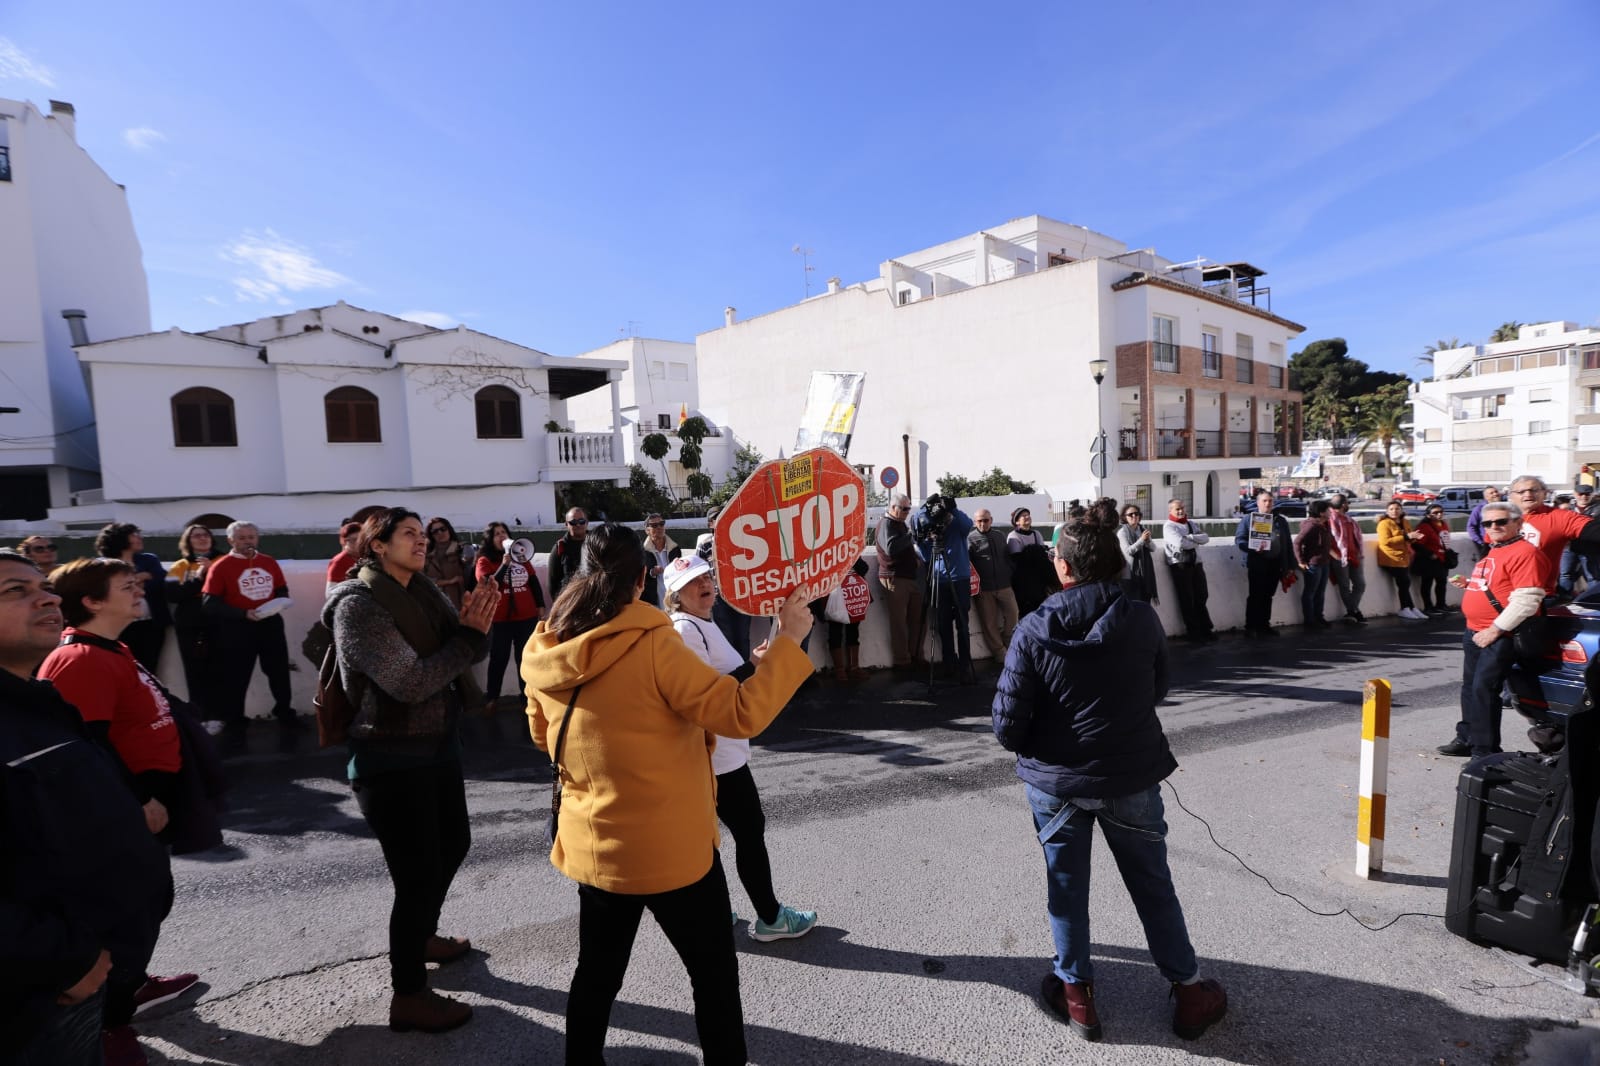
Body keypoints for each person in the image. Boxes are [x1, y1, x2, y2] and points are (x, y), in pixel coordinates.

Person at [520, 523, 816, 1065]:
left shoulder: (546, 646)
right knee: (713, 979)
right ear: (644, 578)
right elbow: (741, 713)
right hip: (673, 853)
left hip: (596, 848)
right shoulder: (655, 644)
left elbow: (544, 738)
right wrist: (789, 641)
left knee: (597, 977)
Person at [991, 500, 1226, 1045]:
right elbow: (1158, 689)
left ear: (1064, 567)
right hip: (1131, 775)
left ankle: (1078, 998)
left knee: (1065, 889)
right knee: (1153, 886)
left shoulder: (1032, 628)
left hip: (1057, 785)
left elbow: (1007, 726)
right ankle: (1190, 993)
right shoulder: (1141, 616)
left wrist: (1050, 750)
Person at [324, 508, 500, 1034]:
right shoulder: (357, 605)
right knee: (416, 873)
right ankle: (409, 995)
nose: (421, 542)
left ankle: (423, 933)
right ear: (376, 546)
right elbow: (409, 681)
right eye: (408, 535)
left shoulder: (423, 589)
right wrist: (468, 638)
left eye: (423, 534)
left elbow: (467, 648)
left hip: (437, 743)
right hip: (390, 757)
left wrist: (475, 629)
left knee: (455, 845)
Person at [0, 550, 173, 1066]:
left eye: (44, 588)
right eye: (16, 590)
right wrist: (66, 958)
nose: (48, 596)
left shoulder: (39, 699)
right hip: (42, 994)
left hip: (87, 970)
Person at [37, 557, 203, 1063]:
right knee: (127, 911)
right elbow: (87, 747)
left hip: (149, 800)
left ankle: (132, 984)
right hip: (125, 809)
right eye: (126, 586)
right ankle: (108, 1026)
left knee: (148, 903)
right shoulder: (80, 660)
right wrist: (138, 801)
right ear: (91, 601)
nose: (139, 591)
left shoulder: (112, 647)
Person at [663, 553, 820, 940]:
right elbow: (704, 694)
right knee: (748, 831)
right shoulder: (685, 630)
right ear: (674, 597)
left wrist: (753, 664)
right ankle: (771, 918)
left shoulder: (701, 623)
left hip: (720, 753)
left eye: (706, 579)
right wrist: (753, 665)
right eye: (690, 584)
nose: (703, 586)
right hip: (717, 756)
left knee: (709, 837)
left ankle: (713, 911)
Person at [1437, 502, 1554, 758]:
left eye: (1501, 522)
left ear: (1518, 523)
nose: (1493, 527)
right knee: (1470, 687)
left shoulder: (1525, 553)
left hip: (1500, 633)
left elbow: (1527, 599)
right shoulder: (1496, 550)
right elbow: (1498, 586)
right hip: (1476, 631)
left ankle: (1484, 752)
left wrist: (1495, 630)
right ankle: (1467, 737)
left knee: (1484, 689)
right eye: (1487, 523)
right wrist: (1470, 584)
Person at [202, 521, 299, 731]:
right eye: (242, 538)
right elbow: (210, 603)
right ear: (231, 540)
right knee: (237, 675)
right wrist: (242, 613)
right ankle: (235, 720)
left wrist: (278, 603)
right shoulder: (221, 566)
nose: (248, 542)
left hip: (270, 625)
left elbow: (281, 589)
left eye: (251, 537)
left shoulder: (269, 562)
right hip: (238, 629)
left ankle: (285, 713)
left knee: (279, 672)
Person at [474, 521, 545, 713]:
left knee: (525, 658)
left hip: (526, 617)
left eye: (503, 532)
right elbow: (489, 583)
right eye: (496, 533)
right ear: (490, 539)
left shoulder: (521, 557)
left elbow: (533, 581)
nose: (501, 536)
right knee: (499, 658)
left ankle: (526, 698)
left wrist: (540, 605)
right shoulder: (484, 561)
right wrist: (505, 565)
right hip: (499, 620)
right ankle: (492, 697)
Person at [910, 494, 976, 683]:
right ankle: (949, 662)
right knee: (943, 624)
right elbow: (925, 554)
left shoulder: (955, 521)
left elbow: (967, 525)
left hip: (960, 577)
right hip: (939, 578)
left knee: (963, 624)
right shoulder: (927, 522)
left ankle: (965, 665)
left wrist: (952, 508)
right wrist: (921, 540)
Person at [95, 522, 171, 674]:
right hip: (119, 625)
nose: (139, 538)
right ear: (119, 538)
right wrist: (142, 577)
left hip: (150, 624)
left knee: (150, 668)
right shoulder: (102, 565)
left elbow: (161, 583)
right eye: (134, 535)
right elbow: (107, 590)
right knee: (122, 667)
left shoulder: (149, 560)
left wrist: (135, 582)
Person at [166, 524, 222, 724]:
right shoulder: (180, 566)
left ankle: (220, 716)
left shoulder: (224, 560)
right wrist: (200, 578)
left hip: (221, 623)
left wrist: (211, 571)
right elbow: (172, 594)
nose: (201, 538)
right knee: (195, 671)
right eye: (196, 536)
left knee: (220, 670)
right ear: (188, 542)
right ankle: (200, 716)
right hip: (190, 626)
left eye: (205, 534)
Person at [1508, 475, 1600, 591]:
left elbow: (1593, 530)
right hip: (1496, 593)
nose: (1528, 494)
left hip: (1534, 594)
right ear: (1511, 496)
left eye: (1534, 490)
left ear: (1545, 493)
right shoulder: (1499, 519)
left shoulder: (1560, 517)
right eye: (1521, 491)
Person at [1232, 490, 1295, 637]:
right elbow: (1239, 540)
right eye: (1264, 501)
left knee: (1268, 595)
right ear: (1258, 503)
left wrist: (1290, 565)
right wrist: (1252, 547)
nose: (1267, 504)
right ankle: (1251, 627)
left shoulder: (1280, 521)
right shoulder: (1249, 519)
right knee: (1255, 595)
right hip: (1257, 562)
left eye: (1270, 501)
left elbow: (1288, 544)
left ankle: (1264, 625)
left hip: (1275, 563)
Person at [875, 495, 926, 670]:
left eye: (908, 509)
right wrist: (911, 535)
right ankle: (902, 660)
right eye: (903, 509)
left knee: (917, 619)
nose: (906, 512)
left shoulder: (899, 524)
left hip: (909, 576)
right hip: (895, 577)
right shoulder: (887, 524)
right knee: (899, 622)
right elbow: (891, 548)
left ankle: (916, 654)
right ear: (893, 507)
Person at [1161, 499, 1215, 641]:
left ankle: (1206, 628)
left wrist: (1190, 537)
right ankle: (1194, 632)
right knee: (1187, 598)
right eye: (1177, 509)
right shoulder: (1169, 527)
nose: (1180, 511)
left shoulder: (1190, 524)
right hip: (1180, 565)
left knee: (1202, 595)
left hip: (1196, 563)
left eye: (1182, 508)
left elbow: (1205, 538)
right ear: (1170, 511)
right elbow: (1180, 543)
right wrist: (1194, 541)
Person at [968, 508, 1019, 659]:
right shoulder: (970, 539)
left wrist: (1009, 571)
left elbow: (1007, 556)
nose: (983, 523)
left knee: (1013, 613)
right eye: (979, 521)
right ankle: (1000, 652)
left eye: (986, 520)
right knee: (989, 623)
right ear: (975, 522)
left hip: (1004, 585)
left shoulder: (999, 535)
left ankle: (1009, 642)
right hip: (984, 589)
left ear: (991, 520)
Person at [1375, 501, 1426, 620]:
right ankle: (1405, 608)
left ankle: (1411, 608)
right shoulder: (1384, 524)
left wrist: (1414, 538)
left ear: (1401, 510)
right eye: (1391, 509)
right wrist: (1407, 537)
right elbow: (1385, 541)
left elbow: (1408, 539)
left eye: (1397, 508)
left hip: (1404, 557)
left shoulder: (1405, 522)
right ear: (1387, 511)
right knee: (1403, 582)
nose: (1394, 511)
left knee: (1405, 583)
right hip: (1391, 558)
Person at [1326, 494, 1368, 626]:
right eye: (1347, 503)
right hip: (1340, 557)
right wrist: (1335, 554)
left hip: (1354, 555)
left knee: (1360, 584)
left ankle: (1351, 612)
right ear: (1344, 504)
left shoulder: (1349, 519)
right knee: (1345, 586)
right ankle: (1355, 612)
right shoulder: (1330, 519)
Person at [1008, 507, 1056, 618]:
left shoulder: (1036, 534)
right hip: (1024, 581)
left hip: (1038, 579)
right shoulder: (1013, 536)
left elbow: (1042, 554)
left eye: (1028, 515)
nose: (1027, 517)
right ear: (1016, 521)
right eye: (1023, 516)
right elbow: (1017, 559)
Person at [1293, 500, 1334, 628]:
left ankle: (1318, 617)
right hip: (1314, 564)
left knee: (1320, 592)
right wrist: (1301, 561)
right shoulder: (1311, 526)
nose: (1330, 512)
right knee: (1310, 592)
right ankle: (1309, 621)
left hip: (1324, 562)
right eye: (1328, 510)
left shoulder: (1323, 525)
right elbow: (1297, 542)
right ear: (1321, 513)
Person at [1558, 486, 1600, 596]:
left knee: (1592, 576)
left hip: (1589, 548)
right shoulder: (1567, 508)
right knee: (1565, 574)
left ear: (1592, 494)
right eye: (1581, 494)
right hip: (1569, 547)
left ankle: (1594, 600)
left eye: (1587, 494)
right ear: (1575, 494)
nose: (1584, 496)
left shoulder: (1598, 508)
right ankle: (1564, 598)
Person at [1412, 504, 1452, 614]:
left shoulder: (1443, 524)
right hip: (1429, 560)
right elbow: (1416, 544)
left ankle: (1441, 604)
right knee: (1427, 583)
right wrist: (1430, 554)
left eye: (1441, 512)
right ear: (1428, 515)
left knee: (1442, 582)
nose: (1439, 514)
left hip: (1442, 558)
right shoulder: (1424, 527)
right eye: (1435, 512)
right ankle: (1428, 607)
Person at [423, 517, 468, 612]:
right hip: (435, 605)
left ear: (449, 529)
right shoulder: (425, 555)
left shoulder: (462, 549)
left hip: (461, 603)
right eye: (435, 531)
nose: (440, 533)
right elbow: (423, 580)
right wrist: (449, 581)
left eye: (443, 529)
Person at [639, 514, 682, 609]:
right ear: (647, 531)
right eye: (654, 525)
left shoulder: (675, 548)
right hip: (653, 602)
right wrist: (652, 572)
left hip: (674, 599)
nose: (659, 527)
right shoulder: (641, 552)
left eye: (661, 524)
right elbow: (638, 577)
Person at [1116, 504, 1157, 604]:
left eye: (1136, 514)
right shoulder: (1122, 532)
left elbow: (1153, 548)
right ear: (1125, 517)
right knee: (1134, 605)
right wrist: (1142, 540)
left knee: (1145, 605)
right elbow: (1128, 551)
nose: (1134, 516)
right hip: (1130, 575)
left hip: (1145, 575)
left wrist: (1147, 541)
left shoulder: (1143, 530)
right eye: (1130, 514)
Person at [546, 507, 589, 602]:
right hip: (569, 602)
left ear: (587, 523)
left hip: (592, 601)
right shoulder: (560, 547)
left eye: (581, 521)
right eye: (573, 522)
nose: (578, 524)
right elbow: (552, 582)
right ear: (566, 524)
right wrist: (559, 605)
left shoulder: (596, 544)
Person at [1466, 486, 1503, 563]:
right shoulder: (1479, 509)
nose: (1495, 494)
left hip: (1503, 544)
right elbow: (1471, 526)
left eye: (1496, 491)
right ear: (1486, 497)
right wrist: (1480, 542)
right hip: (1487, 544)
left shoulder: (1504, 508)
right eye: (1491, 493)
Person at [326, 521, 363, 593]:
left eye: (361, 539)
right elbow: (330, 593)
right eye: (354, 540)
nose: (358, 543)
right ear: (345, 541)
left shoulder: (368, 557)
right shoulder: (339, 561)